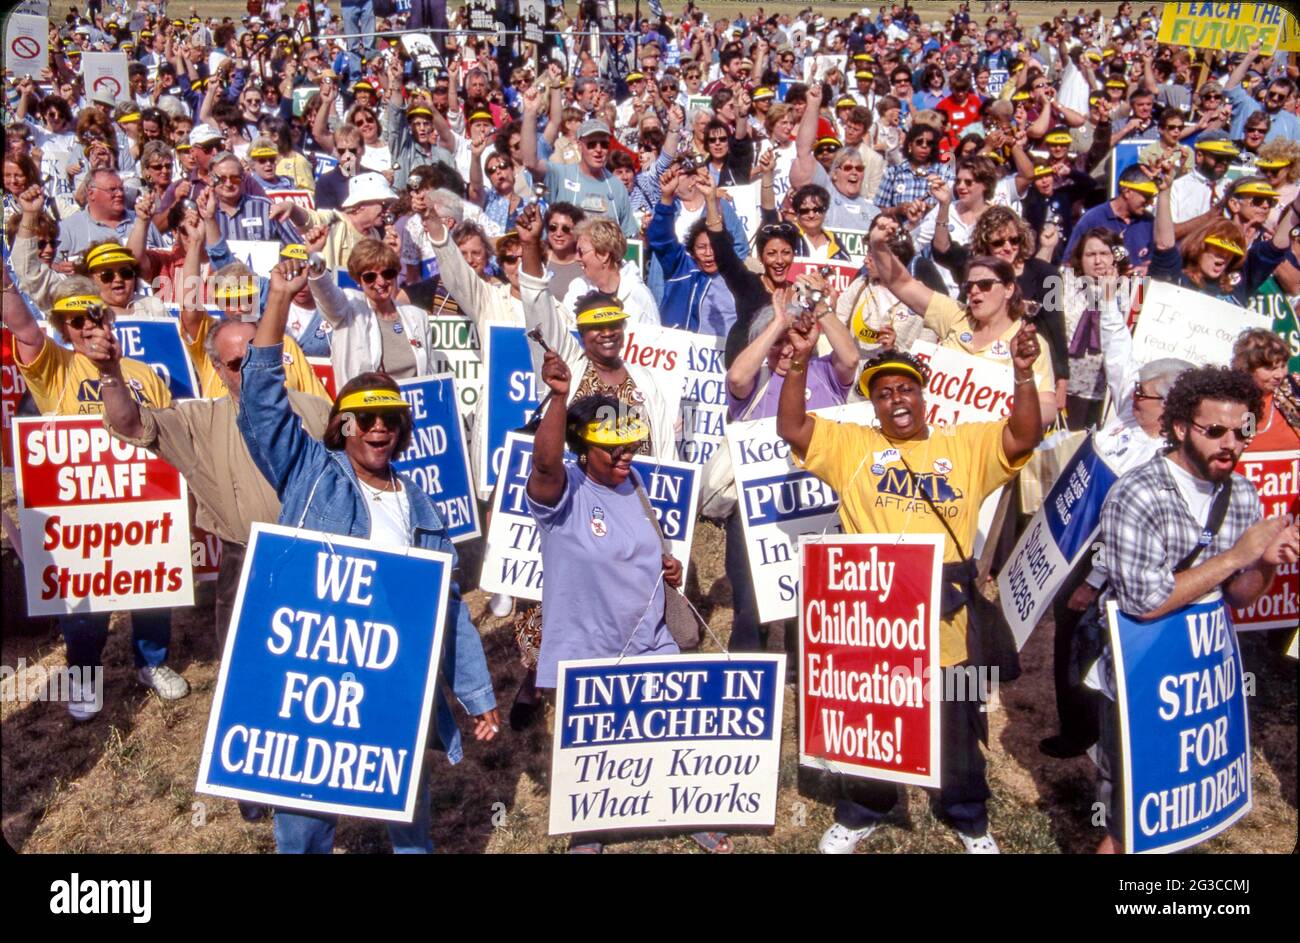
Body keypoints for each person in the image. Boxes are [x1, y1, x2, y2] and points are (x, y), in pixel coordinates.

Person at [235, 257, 499, 854]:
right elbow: (262, 406)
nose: (379, 428)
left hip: (391, 673)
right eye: (365, 418)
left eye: (391, 419)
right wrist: (278, 300)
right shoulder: (310, 474)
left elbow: (447, 611)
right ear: (342, 426)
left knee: (408, 817)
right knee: (305, 823)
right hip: (316, 675)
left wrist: (477, 696)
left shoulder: (422, 505)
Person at [778, 322, 1044, 854]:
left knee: (957, 718)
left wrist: (1021, 374)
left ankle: (967, 814)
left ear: (922, 396)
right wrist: (800, 362)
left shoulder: (964, 444)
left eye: (904, 389)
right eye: (883, 393)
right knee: (872, 717)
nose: (895, 399)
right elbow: (793, 429)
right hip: (875, 619)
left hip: (948, 615)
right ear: (872, 406)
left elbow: (1024, 436)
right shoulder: (853, 446)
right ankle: (865, 809)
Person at [1092, 365, 1298, 853]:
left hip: (1199, 689)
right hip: (1137, 683)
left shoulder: (1243, 493)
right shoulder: (1137, 494)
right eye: (1216, 431)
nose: (1231, 443)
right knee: (1128, 827)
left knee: (1181, 822)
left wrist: (1264, 564)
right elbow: (1144, 604)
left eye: (1242, 432)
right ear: (1181, 427)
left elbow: (1239, 597)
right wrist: (1238, 555)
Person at [524, 355, 712, 853]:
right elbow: (543, 463)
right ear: (585, 451)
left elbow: (644, 546)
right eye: (613, 448)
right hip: (588, 652)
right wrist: (560, 398)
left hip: (650, 641)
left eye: (630, 443)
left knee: (670, 737)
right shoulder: (562, 494)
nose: (626, 453)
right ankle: (591, 831)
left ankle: (684, 811)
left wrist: (667, 568)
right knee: (595, 758)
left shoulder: (632, 481)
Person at [0, 274, 186, 719]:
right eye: (74, 320)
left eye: (94, 315)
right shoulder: (55, 368)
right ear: (62, 327)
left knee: (152, 587)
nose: (87, 326)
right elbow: (22, 326)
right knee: (83, 604)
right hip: (79, 512)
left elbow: (168, 436)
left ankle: (152, 663)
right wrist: (5, 280)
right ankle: (85, 676)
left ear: (110, 318)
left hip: (142, 505)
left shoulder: (145, 375)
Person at [723, 284, 859, 655]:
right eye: (777, 343)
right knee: (751, 603)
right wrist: (778, 322)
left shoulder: (824, 373)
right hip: (760, 513)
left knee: (816, 598)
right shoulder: (756, 383)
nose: (786, 349)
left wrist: (821, 313)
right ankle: (751, 667)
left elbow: (849, 358)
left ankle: (806, 669)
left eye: (793, 339)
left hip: (821, 509)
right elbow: (735, 378)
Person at [517, 205, 679, 460]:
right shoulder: (569, 367)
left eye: (614, 324)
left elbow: (667, 453)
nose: (607, 333)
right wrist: (529, 245)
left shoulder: (645, 381)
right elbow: (539, 305)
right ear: (581, 331)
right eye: (596, 327)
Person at [871, 216, 1058, 421]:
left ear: (1008, 289)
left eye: (985, 284)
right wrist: (878, 244)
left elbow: (1048, 405)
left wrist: (1015, 423)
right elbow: (902, 283)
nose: (975, 291)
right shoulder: (956, 315)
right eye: (969, 287)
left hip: (992, 445)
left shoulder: (1028, 342)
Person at [308, 236, 434, 386]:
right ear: (358, 280)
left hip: (411, 405)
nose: (381, 282)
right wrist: (315, 257)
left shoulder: (417, 316)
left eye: (387, 274)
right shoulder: (350, 307)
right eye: (370, 277)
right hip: (364, 405)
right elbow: (326, 294)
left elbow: (429, 374)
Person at [1231, 330, 1299, 454]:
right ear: (1247, 369)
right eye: (1270, 369)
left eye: (1283, 366)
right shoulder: (1239, 403)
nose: (1279, 375)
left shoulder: (1294, 391)